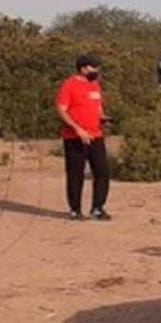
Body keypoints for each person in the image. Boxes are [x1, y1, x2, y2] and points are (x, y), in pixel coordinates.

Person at [55, 54, 111, 221]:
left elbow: (97, 105)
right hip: (75, 137)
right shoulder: (69, 85)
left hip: (95, 135)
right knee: (75, 173)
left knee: (102, 171)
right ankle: (75, 209)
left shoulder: (94, 84)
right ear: (83, 68)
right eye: (94, 67)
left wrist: (102, 117)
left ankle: (97, 208)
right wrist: (78, 129)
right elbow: (61, 109)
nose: (96, 70)